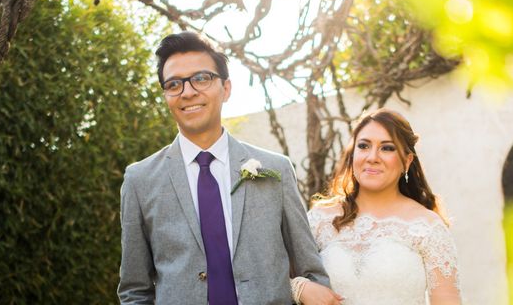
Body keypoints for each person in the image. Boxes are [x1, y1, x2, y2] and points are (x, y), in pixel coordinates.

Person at [118, 31, 334, 304]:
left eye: (201, 78)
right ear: (166, 95)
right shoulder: (140, 180)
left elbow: (312, 272)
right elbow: (134, 291)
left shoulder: (275, 169)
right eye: (174, 84)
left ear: (226, 88)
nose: (188, 92)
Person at [293, 108, 462, 305]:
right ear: (352, 154)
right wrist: (300, 288)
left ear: (407, 161)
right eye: (364, 146)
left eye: (387, 148)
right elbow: (273, 279)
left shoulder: (427, 227)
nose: (372, 157)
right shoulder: (319, 219)